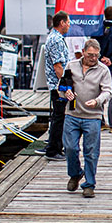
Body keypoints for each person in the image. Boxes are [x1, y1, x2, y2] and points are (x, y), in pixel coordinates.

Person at [62, 39, 112, 198]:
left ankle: (89, 184)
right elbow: (62, 85)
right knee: (70, 148)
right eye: (90, 55)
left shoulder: (103, 70)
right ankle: (75, 173)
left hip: (93, 116)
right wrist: (66, 92)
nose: (93, 58)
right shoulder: (71, 66)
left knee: (91, 151)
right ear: (83, 52)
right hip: (73, 113)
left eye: (96, 55)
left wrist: (98, 100)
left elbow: (108, 91)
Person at [39, 12, 71, 160]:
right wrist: (65, 85)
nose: (69, 25)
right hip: (58, 86)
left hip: (55, 84)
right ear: (62, 23)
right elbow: (58, 66)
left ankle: (54, 146)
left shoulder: (53, 37)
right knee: (59, 117)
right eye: (68, 22)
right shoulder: (56, 40)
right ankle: (53, 150)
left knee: (58, 117)